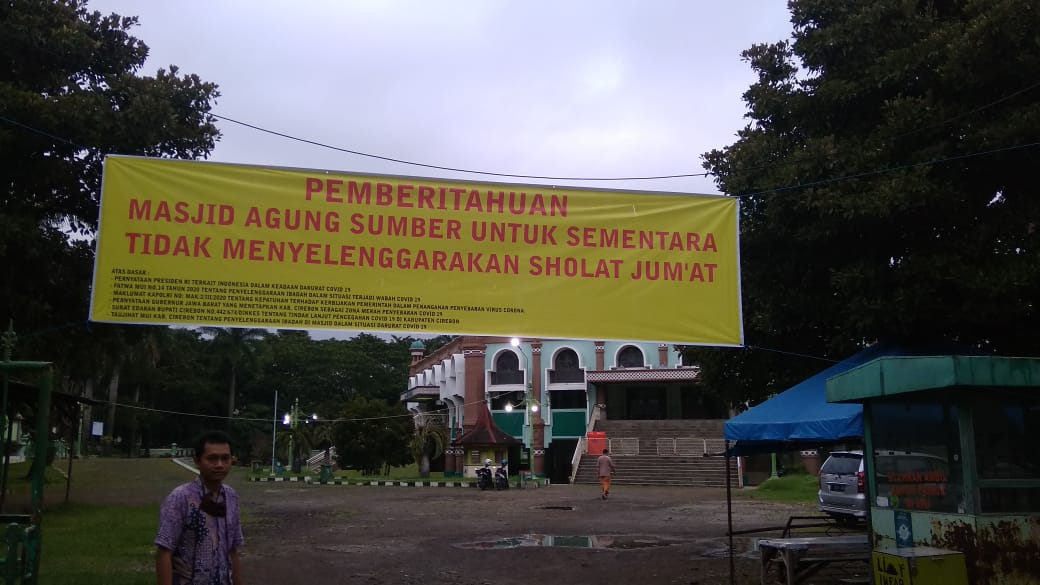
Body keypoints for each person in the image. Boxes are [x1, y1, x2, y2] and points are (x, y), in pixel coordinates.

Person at [156, 430, 245, 585]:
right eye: (212, 458)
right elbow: (164, 552)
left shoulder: (231, 497)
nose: (219, 465)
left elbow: (233, 550)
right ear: (197, 460)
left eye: (225, 458)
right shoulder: (181, 498)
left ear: (232, 460)